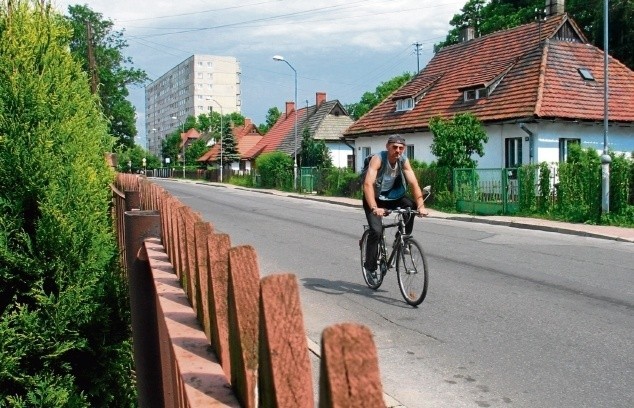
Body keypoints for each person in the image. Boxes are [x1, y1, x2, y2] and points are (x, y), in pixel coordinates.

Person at [362, 134, 428, 277]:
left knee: (411, 207)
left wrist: (421, 205)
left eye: (401, 148)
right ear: (388, 146)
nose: (398, 151)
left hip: (393, 196)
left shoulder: (403, 160)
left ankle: (402, 238)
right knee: (376, 231)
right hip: (374, 198)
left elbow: (414, 183)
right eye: (395, 147)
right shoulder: (378, 159)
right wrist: (374, 208)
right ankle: (370, 268)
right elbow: (367, 185)